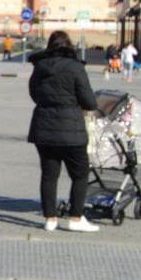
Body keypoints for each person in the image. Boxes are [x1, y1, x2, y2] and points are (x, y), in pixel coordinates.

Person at [27, 30, 100, 232]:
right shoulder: (76, 68)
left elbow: (34, 94)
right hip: (71, 129)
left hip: (43, 127)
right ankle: (75, 218)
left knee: (49, 175)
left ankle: (50, 219)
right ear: (69, 46)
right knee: (80, 173)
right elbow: (89, 101)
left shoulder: (39, 67)